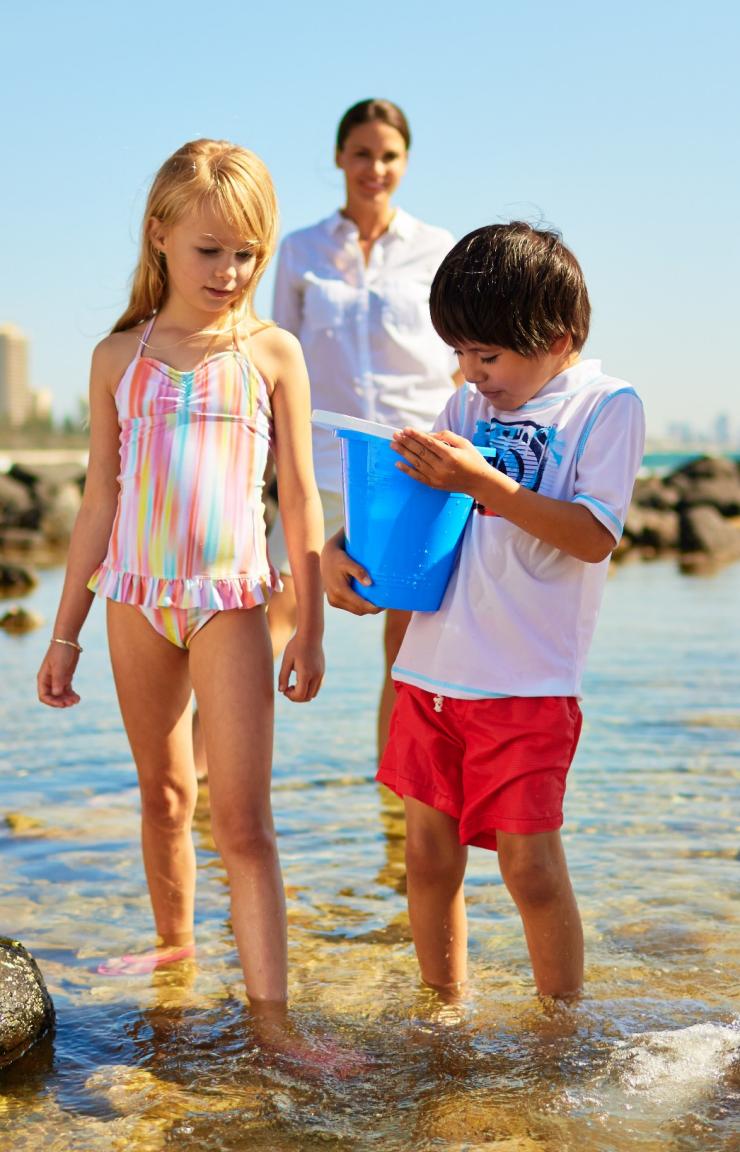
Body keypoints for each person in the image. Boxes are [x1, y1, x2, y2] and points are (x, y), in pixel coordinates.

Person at [36, 141, 325, 1023]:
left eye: (249, 253)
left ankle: (272, 1024)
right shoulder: (117, 357)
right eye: (212, 251)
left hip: (229, 605)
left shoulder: (272, 353)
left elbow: (303, 500)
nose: (231, 271)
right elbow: (98, 502)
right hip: (132, 600)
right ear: (160, 236)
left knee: (243, 822)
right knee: (163, 797)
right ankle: (175, 948)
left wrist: (309, 625)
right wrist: (63, 632)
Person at [321, 222, 645, 1000]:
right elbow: (407, 504)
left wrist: (487, 487)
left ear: (559, 336)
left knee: (529, 869)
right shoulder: (467, 408)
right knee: (428, 858)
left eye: (487, 356)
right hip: (433, 670)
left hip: (527, 682)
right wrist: (341, 549)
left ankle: (558, 1034)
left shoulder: (604, 407)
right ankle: (444, 1014)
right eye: (459, 355)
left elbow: (593, 536)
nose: (469, 374)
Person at [268, 97, 461, 759]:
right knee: (272, 620)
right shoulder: (299, 250)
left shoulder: (439, 250)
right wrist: (268, 464)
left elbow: (463, 359)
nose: (374, 168)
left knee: (403, 650)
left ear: (404, 162)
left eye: (388, 156)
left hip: (414, 467)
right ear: (338, 157)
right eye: (361, 153)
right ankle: (206, 785)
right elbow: (280, 357)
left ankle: (396, 803)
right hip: (322, 460)